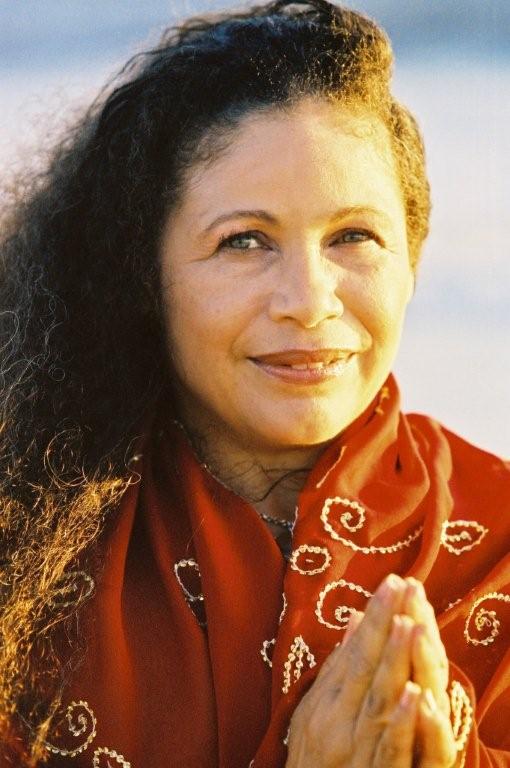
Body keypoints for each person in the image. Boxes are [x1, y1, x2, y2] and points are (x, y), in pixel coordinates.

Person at [0, 0, 509, 765]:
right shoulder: (27, 551)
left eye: (354, 237)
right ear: (147, 277)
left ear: (412, 261)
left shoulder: (498, 540)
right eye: (244, 241)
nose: (308, 300)